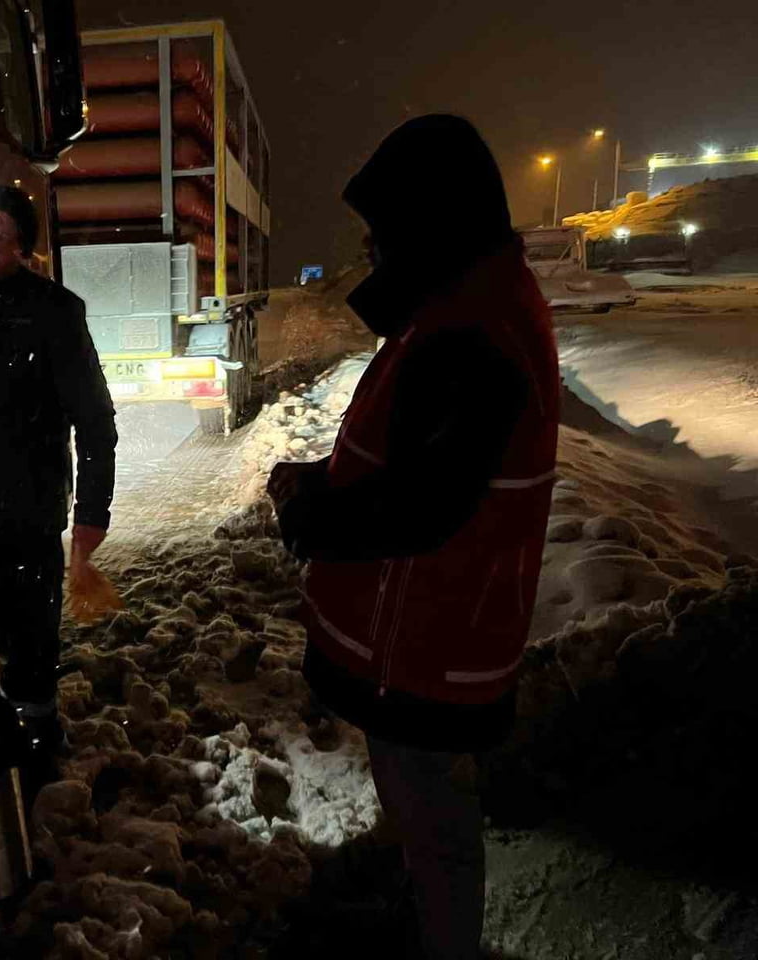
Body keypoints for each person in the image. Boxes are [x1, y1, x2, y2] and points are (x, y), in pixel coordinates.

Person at [268, 115, 560, 960]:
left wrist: (314, 515)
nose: (370, 246)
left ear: (430, 219)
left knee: (432, 812)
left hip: (429, 636)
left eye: (382, 228)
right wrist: (327, 476)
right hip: (438, 629)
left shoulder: (472, 334)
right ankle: (429, 917)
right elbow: (418, 462)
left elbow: (426, 507)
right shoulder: (468, 303)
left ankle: (444, 943)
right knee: (421, 798)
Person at [0, 186, 118, 761]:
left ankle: (37, 737)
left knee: (30, 641)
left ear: (23, 252)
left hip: (26, 511)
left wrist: (91, 513)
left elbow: (95, 419)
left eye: (3, 237)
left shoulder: (54, 312)